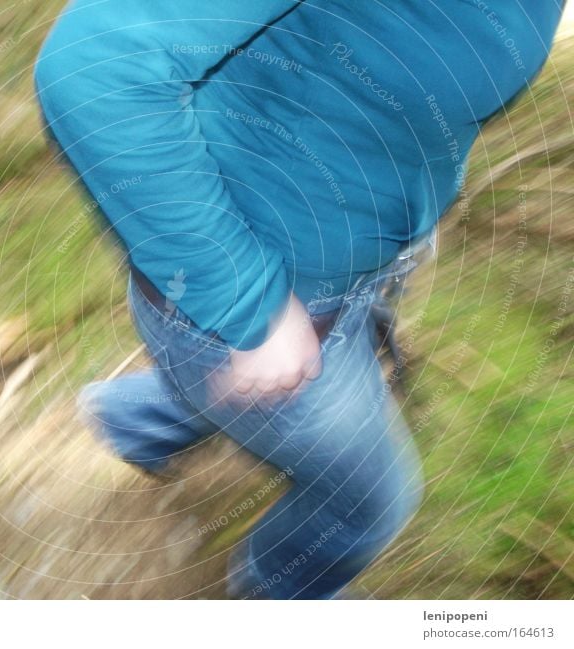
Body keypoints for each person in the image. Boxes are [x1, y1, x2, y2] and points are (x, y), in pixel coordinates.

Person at [34, 1, 564, 599]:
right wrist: (248, 308)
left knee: (230, 396)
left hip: (343, 270)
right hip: (249, 303)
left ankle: (135, 422)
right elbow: (95, 67)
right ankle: (277, 595)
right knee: (367, 508)